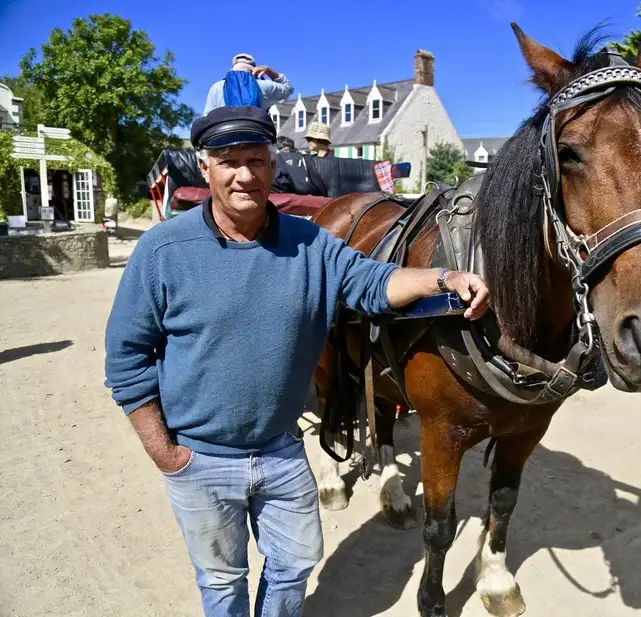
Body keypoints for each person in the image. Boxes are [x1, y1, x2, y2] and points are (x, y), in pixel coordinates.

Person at [103, 105, 489, 617]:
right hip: (200, 458)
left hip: (282, 453)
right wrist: (165, 452)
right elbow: (125, 360)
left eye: (257, 160)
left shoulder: (308, 243)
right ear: (205, 168)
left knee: (295, 563)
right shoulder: (163, 251)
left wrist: (443, 278)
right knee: (222, 580)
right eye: (228, 161)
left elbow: (374, 283)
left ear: (273, 164)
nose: (245, 174)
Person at [204, 53, 294, 115]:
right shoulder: (264, 85)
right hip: (256, 136)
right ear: (255, 69)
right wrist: (268, 70)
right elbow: (288, 88)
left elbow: (207, 117)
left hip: (223, 138)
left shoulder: (216, 87)